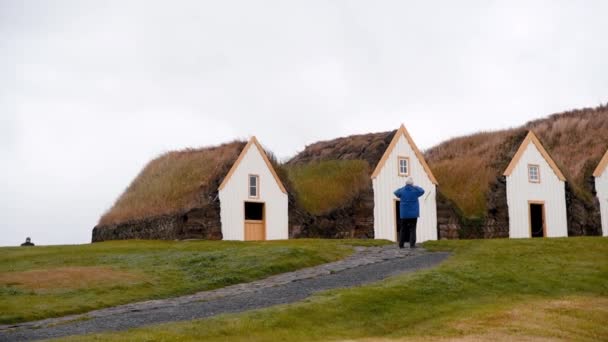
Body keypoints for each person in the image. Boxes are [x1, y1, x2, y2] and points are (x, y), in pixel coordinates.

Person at [394, 177, 425, 249]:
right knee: (413, 229)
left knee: (403, 229)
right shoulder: (415, 190)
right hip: (413, 214)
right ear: (412, 184)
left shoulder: (402, 190)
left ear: (405, 183)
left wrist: (404, 187)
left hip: (404, 214)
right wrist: (415, 186)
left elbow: (395, 192)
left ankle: (401, 245)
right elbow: (422, 191)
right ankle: (412, 245)